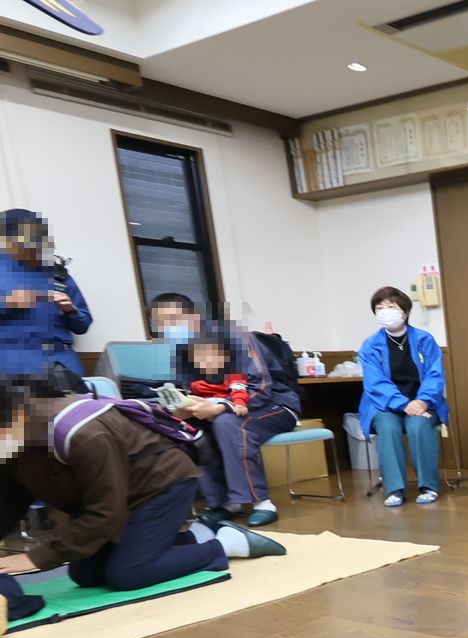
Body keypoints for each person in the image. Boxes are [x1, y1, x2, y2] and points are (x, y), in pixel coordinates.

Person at [0, 379, 284, 598]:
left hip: (161, 482)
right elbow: (10, 501)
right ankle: (194, 537)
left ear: (18, 416)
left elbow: (105, 513)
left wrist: (34, 557)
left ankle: (225, 544)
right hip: (114, 494)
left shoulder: (81, 433)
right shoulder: (12, 442)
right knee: (86, 573)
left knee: (129, 573)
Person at [151, 295, 301, 527]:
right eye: (161, 323)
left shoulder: (235, 338)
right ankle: (223, 503)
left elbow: (260, 387)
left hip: (274, 406)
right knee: (191, 429)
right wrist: (186, 407)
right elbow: (189, 389)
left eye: (174, 319)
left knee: (228, 423)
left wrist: (219, 406)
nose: (168, 327)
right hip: (223, 408)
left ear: (194, 317)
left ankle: (261, 501)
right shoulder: (182, 351)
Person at [357, 286, 449, 508]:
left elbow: (435, 375)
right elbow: (375, 383)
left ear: (405, 312)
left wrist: (421, 401)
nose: (385, 312)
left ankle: (428, 486)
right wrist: (403, 404)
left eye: (391, 307)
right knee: (387, 429)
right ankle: (395, 489)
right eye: (380, 308)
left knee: (419, 426)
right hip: (385, 405)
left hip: (422, 403)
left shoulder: (424, 340)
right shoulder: (370, 346)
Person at [0, 209, 90, 386]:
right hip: (13, 368)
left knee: (79, 412)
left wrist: (70, 311)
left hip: (63, 367)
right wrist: (8, 302)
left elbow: (83, 324)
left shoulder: (58, 275)